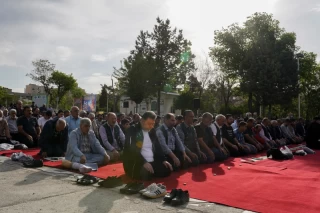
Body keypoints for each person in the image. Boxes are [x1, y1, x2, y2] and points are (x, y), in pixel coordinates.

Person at [123, 111, 172, 180]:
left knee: (167, 169)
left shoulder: (152, 130)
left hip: (150, 159)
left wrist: (163, 160)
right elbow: (133, 150)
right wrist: (144, 162)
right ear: (142, 121)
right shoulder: (133, 130)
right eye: (149, 123)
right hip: (135, 160)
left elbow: (158, 146)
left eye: (153, 124)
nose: (151, 126)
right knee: (146, 174)